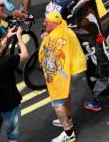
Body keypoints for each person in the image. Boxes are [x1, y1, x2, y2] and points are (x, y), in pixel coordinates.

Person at [41, 12, 85, 141]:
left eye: (46, 22)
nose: (44, 23)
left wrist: (45, 40)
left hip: (68, 71)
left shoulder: (56, 37)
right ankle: (67, 119)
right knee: (65, 94)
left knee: (57, 101)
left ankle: (69, 134)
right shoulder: (64, 30)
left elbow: (50, 53)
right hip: (76, 68)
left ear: (54, 24)